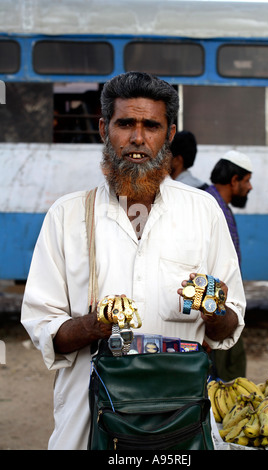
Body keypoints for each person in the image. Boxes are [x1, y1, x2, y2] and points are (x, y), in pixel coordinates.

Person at [21, 72, 246, 450]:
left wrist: (214, 309)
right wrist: (96, 325)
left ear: (169, 134)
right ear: (103, 129)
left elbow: (228, 328)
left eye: (151, 126)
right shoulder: (67, 215)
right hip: (88, 427)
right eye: (125, 123)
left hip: (181, 428)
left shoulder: (203, 212)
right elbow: (44, 330)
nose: (138, 138)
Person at [205, 150, 253, 381]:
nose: (250, 187)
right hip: (216, 314)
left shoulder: (218, 204)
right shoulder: (209, 206)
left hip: (228, 311)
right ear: (234, 181)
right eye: (247, 180)